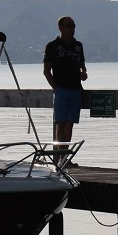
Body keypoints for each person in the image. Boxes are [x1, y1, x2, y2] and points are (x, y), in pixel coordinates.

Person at [43, 16, 88, 166]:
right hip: (61, 90)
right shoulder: (52, 46)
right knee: (60, 123)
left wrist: (84, 73)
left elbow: (82, 66)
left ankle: (64, 158)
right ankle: (60, 157)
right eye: (69, 26)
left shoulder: (78, 46)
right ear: (61, 28)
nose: (72, 28)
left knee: (70, 124)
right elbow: (46, 71)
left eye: (74, 25)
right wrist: (56, 88)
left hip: (76, 90)